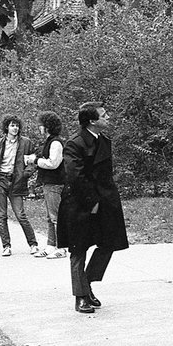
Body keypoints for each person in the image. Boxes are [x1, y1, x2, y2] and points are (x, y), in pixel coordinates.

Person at [57, 102, 129, 314]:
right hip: (80, 204)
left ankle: (86, 284)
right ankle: (80, 296)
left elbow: (106, 174)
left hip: (105, 201)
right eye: (104, 115)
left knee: (109, 243)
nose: (108, 117)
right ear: (92, 121)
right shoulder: (74, 144)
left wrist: (106, 201)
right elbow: (75, 177)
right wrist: (93, 202)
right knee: (79, 249)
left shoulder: (105, 141)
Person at [0, 115, 39, 256]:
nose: (15, 128)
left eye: (16, 125)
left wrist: (25, 173)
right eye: (12, 125)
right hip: (0, 182)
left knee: (20, 214)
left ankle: (33, 244)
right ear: (6, 127)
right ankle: (6, 246)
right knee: (1, 215)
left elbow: (32, 161)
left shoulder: (26, 143)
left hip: (16, 181)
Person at [25, 111, 68, 259]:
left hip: (55, 183)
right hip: (48, 183)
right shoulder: (50, 141)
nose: (40, 128)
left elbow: (53, 163)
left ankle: (62, 248)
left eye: (41, 125)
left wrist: (35, 160)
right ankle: (51, 245)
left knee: (56, 216)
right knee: (50, 217)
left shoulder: (56, 143)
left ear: (47, 126)